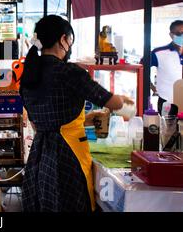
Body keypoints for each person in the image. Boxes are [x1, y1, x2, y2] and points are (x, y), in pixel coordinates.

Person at [20, 15, 132, 212]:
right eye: (70, 40)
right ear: (63, 40)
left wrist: (86, 119)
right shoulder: (69, 72)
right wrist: (123, 99)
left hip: (39, 156)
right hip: (67, 157)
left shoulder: (30, 75)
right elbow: (111, 101)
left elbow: (41, 122)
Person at [150, 20, 183, 114]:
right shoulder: (159, 52)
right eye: (178, 34)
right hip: (167, 102)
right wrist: (152, 87)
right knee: (167, 128)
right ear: (171, 35)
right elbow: (141, 69)